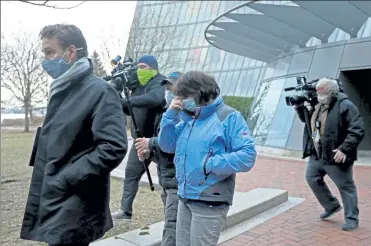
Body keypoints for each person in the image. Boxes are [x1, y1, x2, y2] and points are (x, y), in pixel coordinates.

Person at [20, 24, 128, 246]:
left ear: (71, 52)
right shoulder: (62, 89)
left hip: (76, 203)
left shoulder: (99, 91)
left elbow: (113, 147)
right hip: (59, 198)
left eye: (50, 52)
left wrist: (66, 178)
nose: (45, 60)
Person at [157, 71, 257, 245]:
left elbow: (247, 156)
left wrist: (209, 164)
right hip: (185, 195)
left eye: (184, 95)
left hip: (210, 198)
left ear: (199, 92)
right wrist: (170, 115)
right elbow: (166, 145)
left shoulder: (229, 117)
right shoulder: (189, 119)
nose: (180, 99)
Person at [295, 77, 364, 231]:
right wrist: (299, 107)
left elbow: (357, 129)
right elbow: (308, 122)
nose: (318, 96)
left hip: (336, 155)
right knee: (312, 178)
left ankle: (352, 219)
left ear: (332, 92)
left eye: (322, 94)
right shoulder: (318, 105)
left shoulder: (346, 105)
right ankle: (331, 205)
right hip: (318, 154)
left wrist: (345, 149)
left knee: (346, 187)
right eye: (317, 93)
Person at [112, 55, 166, 221]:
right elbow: (132, 109)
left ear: (153, 68)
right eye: (139, 67)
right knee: (131, 175)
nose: (140, 70)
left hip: (157, 141)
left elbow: (155, 98)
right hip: (139, 140)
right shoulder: (137, 86)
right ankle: (125, 211)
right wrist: (119, 99)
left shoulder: (159, 81)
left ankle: (171, 214)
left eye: (144, 67)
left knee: (166, 178)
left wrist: (128, 101)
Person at [135, 71, 183, 246]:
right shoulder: (164, 113)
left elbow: (175, 143)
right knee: (174, 224)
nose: (170, 91)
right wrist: (149, 153)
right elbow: (164, 150)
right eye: (168, 87)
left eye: (173, 87)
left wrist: (151, 143)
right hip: (166, 181)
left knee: (172, 226)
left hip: (178, 182)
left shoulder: (187, 115)